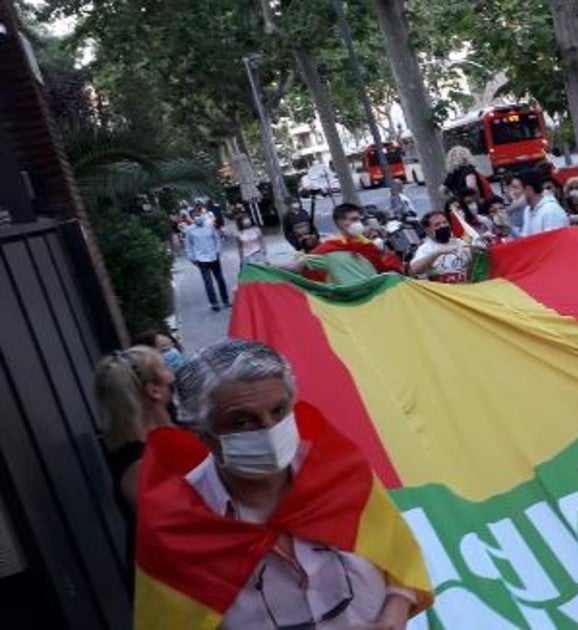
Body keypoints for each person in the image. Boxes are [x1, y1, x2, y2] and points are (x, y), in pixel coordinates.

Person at [139, 340, 432, 626]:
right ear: (199, 433)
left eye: (278, 411)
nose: (268, 429)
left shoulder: (340, 473)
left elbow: (401, 562)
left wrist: (393, 615)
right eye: (242, 421)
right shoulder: (177, 526)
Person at [92, 346, 175, 545]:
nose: (172, 374)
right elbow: (177, 535)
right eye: (164, 367)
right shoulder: (141, 466)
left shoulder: (163, 441)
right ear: (153, 390)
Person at [291, 203, 404, 284]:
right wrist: (273, 270)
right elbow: (298, 266)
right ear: (340, 223)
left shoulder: (368, 246)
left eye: (359, 219)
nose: (358, 223)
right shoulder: (328, 250)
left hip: (376, 300)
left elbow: (383, 270)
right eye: (354, 219)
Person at [184, 208, 231, 312]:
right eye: (195, 216)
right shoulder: (189, 230)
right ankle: (214, 303)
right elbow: (188, 246)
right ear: (191, 218)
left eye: (198, 214)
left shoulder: (210, 226)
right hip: (201, 258)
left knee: (220, 279)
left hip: (214, 256)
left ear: (202, 215)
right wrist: (192, 258)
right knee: (208, 281)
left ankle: (225, 300)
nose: (198, 217)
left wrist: (218, 251)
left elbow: (216, 239)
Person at [505, 165, 569, 237]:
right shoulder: (528, 209)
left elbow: (553, 243)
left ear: (528, 189)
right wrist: (509, 227)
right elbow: (526, 240)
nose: (512, 192)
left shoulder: (550, 211)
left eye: (515, 188)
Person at [410, 210, 473, 283]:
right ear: (428, 230)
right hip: (441, 291)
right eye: (437, 225)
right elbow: (414, 270)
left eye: (445, 222)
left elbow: (473, 267)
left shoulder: (462, 243)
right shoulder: (425, 248)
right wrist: (437, 253)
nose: (443, 226)